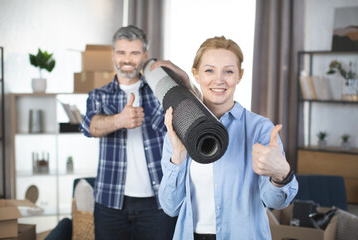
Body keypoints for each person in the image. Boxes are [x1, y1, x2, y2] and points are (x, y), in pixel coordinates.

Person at [153, 36, 298, 240]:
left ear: (239, 76)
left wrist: (281, 175)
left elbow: (276, 202)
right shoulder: (178, 128)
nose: (219, 80)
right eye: (209, 70)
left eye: (228, 71)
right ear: (196, 74)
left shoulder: (260, 129)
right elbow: (170, 207)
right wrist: (177, 155)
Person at [79, 25, 176, 240]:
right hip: (110, 202)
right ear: (113, 54)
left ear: (145, 55)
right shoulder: (99, 95)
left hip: (157, 202)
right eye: (121, 52)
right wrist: (119, 120)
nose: (127, 59)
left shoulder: (159, 92)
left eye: (134, 53)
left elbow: (183, 118)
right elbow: (89, 127)